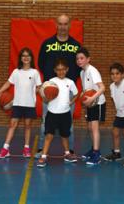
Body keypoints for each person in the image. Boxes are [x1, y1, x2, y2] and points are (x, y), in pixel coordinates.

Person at [36, 14, 81, 158]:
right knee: (45, 122)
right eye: (60, 24)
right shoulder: (47, 43)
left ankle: (70, 151)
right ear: (56, 25)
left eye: (65, 24)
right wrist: (49, 85)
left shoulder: (75, 46)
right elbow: (41, 64)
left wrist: (68, 81)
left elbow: (79, 66)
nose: (63, 27)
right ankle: (42, 150)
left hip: (67, 92)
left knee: (69, 124)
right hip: (50, 92)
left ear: (70, 25)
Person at [0, 47, 42, 159]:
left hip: (29, 104)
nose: (26, 58)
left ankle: (26, 149)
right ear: (21, 58)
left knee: (27, 126)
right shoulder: (16, 72)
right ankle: (5, 149)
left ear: (31, 58)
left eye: (28, 55)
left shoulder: (35, 72)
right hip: (17, 103)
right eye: (23, 56)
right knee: (12, 125)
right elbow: (8, 83)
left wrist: (34, 92)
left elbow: (39, 87)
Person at [37, 58, 79, 167]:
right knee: (49, 136)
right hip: (52, 113)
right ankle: (43, 156)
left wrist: (70, 102)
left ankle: (67, 154)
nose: (61, 72)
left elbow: (76, 94)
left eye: (63, 69)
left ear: (67, 69)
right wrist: (45, 97)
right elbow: (45, 98)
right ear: (55, 70)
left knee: (64, 135)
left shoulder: (70, 82)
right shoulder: (51, 82)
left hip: (65, 114)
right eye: (58, 69)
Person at [76, 47, 106, 165]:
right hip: (90, 102)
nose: (79, 60)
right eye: (77, 58)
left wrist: (92, 98)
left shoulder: (92, 70)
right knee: (89, 128)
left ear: (88, 59)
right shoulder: (82, 72)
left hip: (97, 102)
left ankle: (97, 154)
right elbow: (87, 89)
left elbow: (103, 87)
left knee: (94, 128)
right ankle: (93, 149)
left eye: (82, 58)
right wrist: (84, 98)